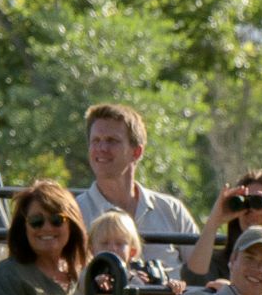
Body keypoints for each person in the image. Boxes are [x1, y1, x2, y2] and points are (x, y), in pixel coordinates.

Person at [77, 102, 200, 281]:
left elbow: (202, 270)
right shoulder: (75, 214)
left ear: (137, 152)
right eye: (96, 141)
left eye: (112, 141)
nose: (102, 148)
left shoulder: (171, 210)